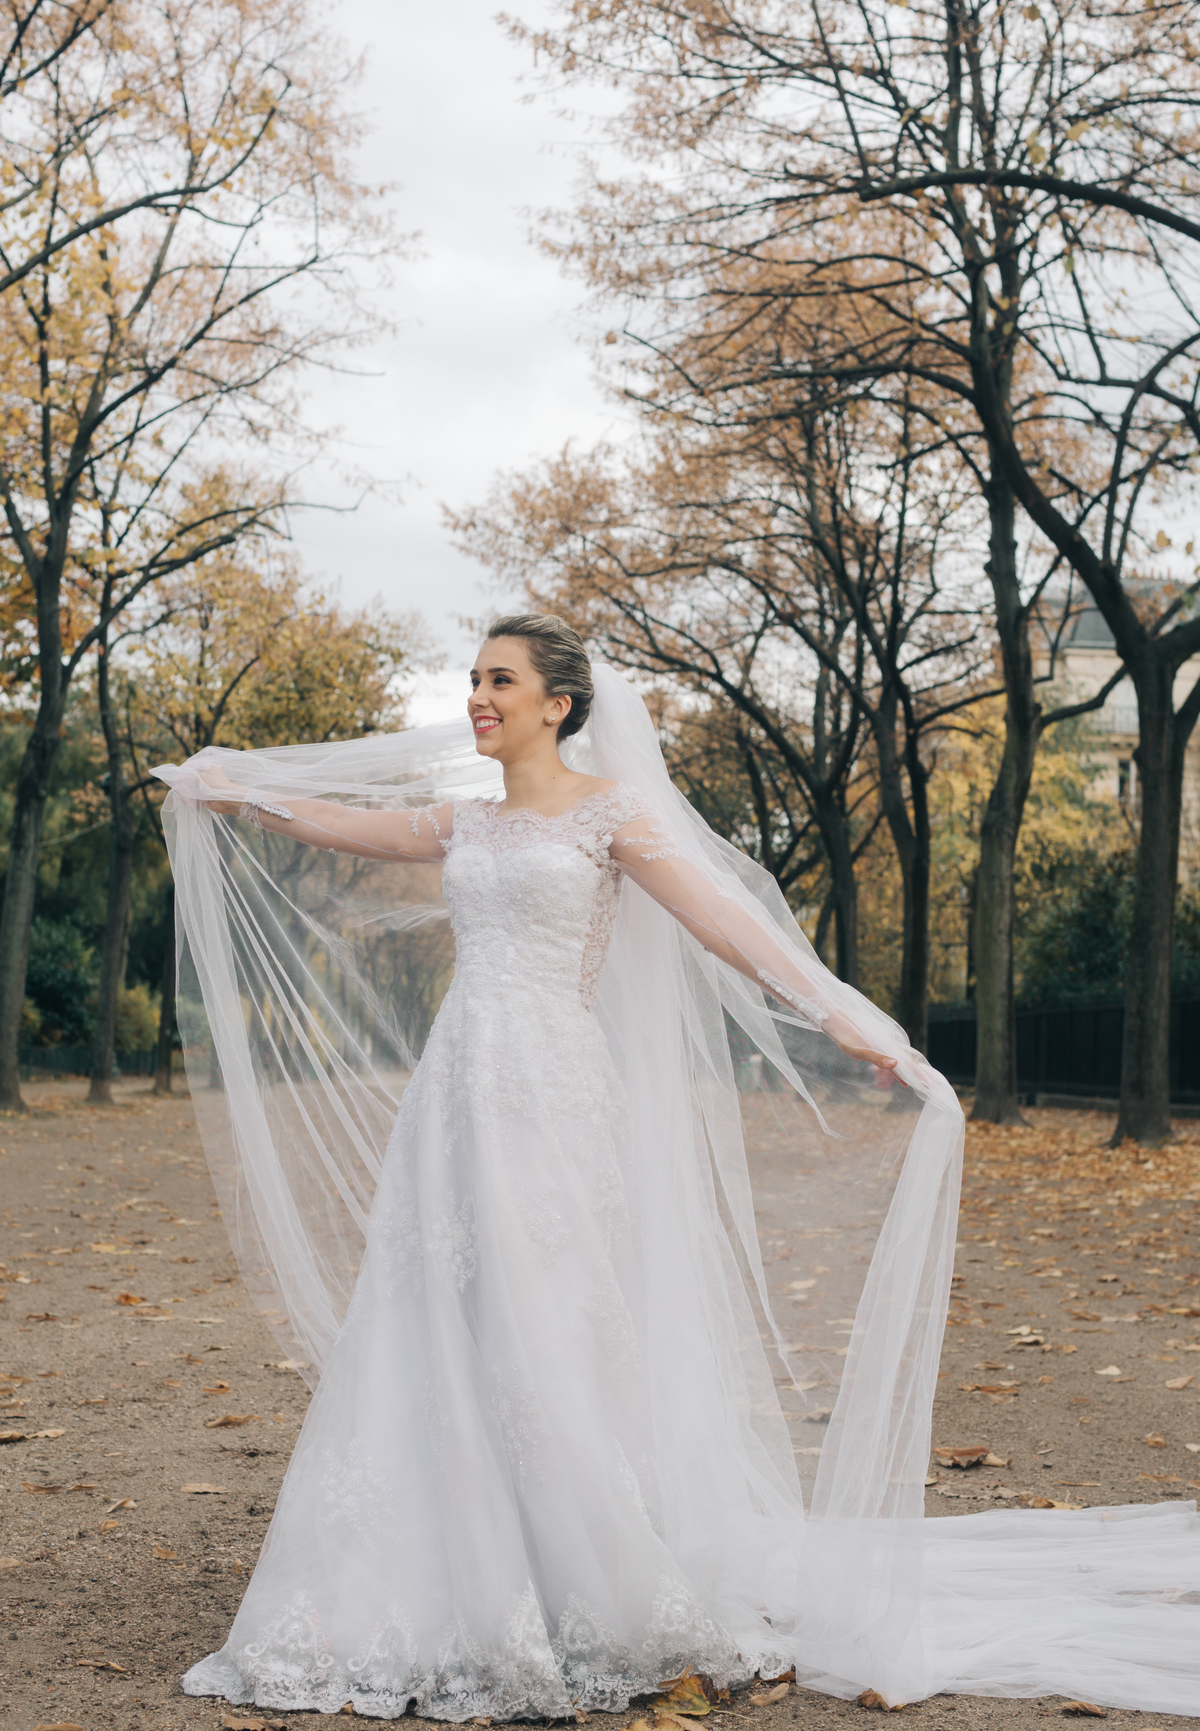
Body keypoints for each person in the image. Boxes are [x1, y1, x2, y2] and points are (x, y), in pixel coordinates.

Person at [154, 614, 1200, 1722]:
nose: (477, 697)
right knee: (438, 1316)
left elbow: (726, 925)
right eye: (472, 680)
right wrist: (228, 790)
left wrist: (851, 1021)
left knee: (543, 1322)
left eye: (499, 681)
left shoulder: (612, 817)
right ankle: (444, 1573)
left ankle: (583, 1579)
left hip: (551, 1096)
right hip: (454, 1097)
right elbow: (338, 825)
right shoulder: (461, 822)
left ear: (558, 704)